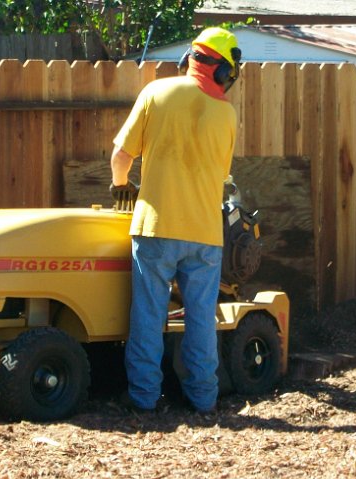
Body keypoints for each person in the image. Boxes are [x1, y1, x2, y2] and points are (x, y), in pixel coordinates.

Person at [110, 27, 242, 415]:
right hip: (205, 236)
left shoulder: (156, 93)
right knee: (201, 322)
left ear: (191, 58)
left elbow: (121, 156)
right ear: (222, 72)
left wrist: (122, 186)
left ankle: (144, 400)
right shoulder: (227, 114)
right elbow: (221, 175)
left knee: (148, 318)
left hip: (155, 230)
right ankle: (204, 400)